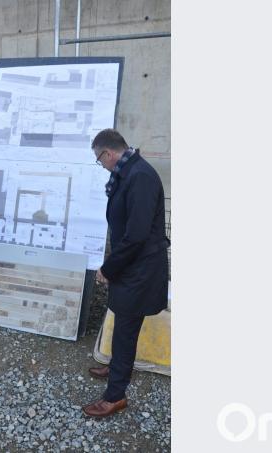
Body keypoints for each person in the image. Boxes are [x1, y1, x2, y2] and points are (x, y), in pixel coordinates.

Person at [82, 129, 170, 417]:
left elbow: (136, 235)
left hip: (141, 267)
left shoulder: (139, 176)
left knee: (125, 330)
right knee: (123, 322)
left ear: (108, 153)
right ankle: (118, 365)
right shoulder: (127, 172)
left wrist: (108, 268)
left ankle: (115, 396)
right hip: (131, 264)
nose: (101, 165)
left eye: (99, 159)